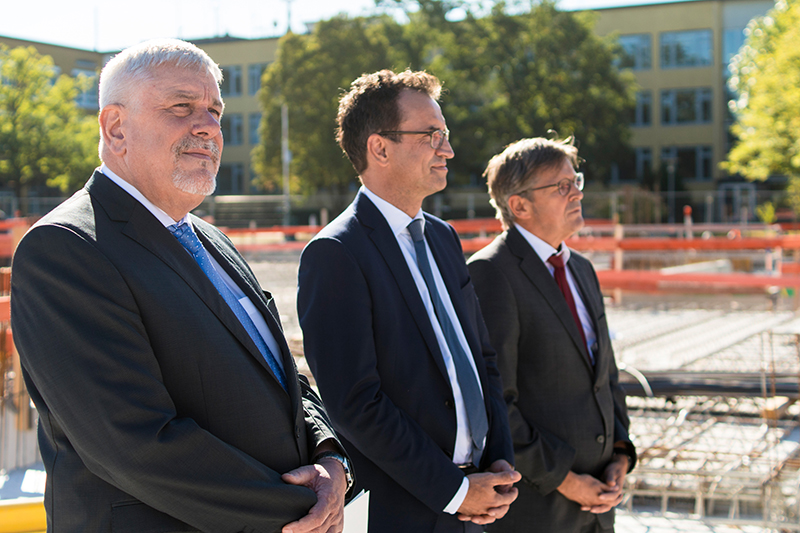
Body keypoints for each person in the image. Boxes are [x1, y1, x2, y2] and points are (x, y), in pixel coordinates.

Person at [10, 38, 351, 533]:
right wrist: (300, 510)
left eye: (215, 109)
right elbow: (133, 443)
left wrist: (330, 458)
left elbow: (276, 376)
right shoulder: (66, 249)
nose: (208, 126)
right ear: (116, 127)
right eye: (182, 107)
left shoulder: (211, 240)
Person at [296, 69, 520, 533]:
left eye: (446, 134)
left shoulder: (442, 237)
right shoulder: (336, 253)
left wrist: (498, 463)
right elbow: (355, 404)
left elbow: (481, 359)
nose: (448, 150)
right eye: (432, 135)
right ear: (380, 148)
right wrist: (454, 492)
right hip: (407, 512)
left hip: (479, 500)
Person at [466, 137, 636, 532]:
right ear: (519, 205)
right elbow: (496, 404)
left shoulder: (581, 269)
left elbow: (605, 376)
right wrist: (567, 481)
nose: (576, 192)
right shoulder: (492, 273)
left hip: (599, 502)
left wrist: (621, 453)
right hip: (540, 509)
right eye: (561, 186)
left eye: (575, 180)